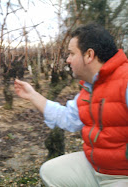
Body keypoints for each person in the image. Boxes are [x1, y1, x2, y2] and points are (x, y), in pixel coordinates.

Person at [14, 23, 128, 187]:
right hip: (97, 167)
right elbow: (68, 118)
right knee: (50, 172)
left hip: (122, 176)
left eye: (71, 53)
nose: (67, 60)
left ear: (89, 55)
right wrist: (32, 95)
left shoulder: (125, 81)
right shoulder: (89, 88)